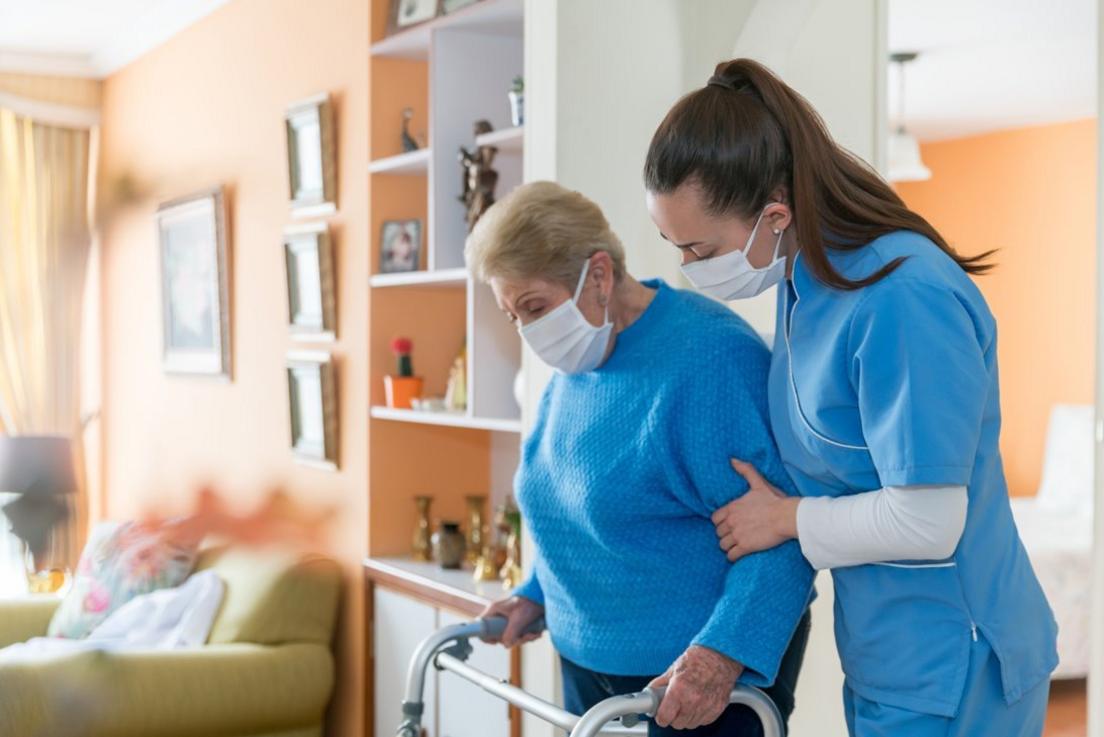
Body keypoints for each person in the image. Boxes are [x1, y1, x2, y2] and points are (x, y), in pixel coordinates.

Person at [644, 58, 1058, 737]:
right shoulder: (802, 278)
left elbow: (930, 519)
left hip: (957, 653)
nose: (687, 269)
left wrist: (786, 520)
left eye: (698, 248)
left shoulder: (904, 297)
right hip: (885, 653)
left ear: (774, 215)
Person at [465, 181, 814, 736]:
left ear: (599, 275)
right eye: (513, 316)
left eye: (533, 307)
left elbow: (782, 539)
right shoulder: (580, 365)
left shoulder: (711, 358)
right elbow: (576, 507)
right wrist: (535, 594)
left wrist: (718, 657)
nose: (529, 331)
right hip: (588, 675)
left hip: (693, 684)